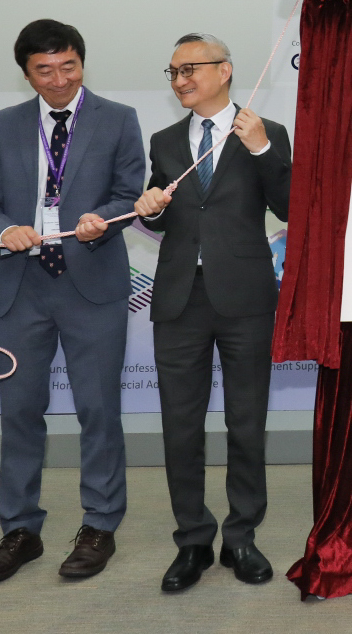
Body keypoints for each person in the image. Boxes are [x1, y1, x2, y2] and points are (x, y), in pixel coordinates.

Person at [0, 19, 145, 584]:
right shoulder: (3, 126)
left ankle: (100, 525)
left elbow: (129, 194)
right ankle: (20, 529)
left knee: (98, 411)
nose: (59, 79)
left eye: (69, 66)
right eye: (45, 70)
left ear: (82, 63)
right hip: (22, 286)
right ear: (26, 73)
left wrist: (105, 220)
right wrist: (5, 228)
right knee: (19, 414)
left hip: (92, 286)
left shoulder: (118, 119)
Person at [133, 33, 291, 592]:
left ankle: (242, 536)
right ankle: (194, 540)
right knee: (181, 427)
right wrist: (147, 209)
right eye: (173, 72)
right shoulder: (166, 140)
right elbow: (161, 216)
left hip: (245, 297)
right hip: (180, 299)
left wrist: (262, 151)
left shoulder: (264, 132)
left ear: (224, 70)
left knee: (246, 423)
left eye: (190, 69)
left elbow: (291, 206)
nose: (180, 80)